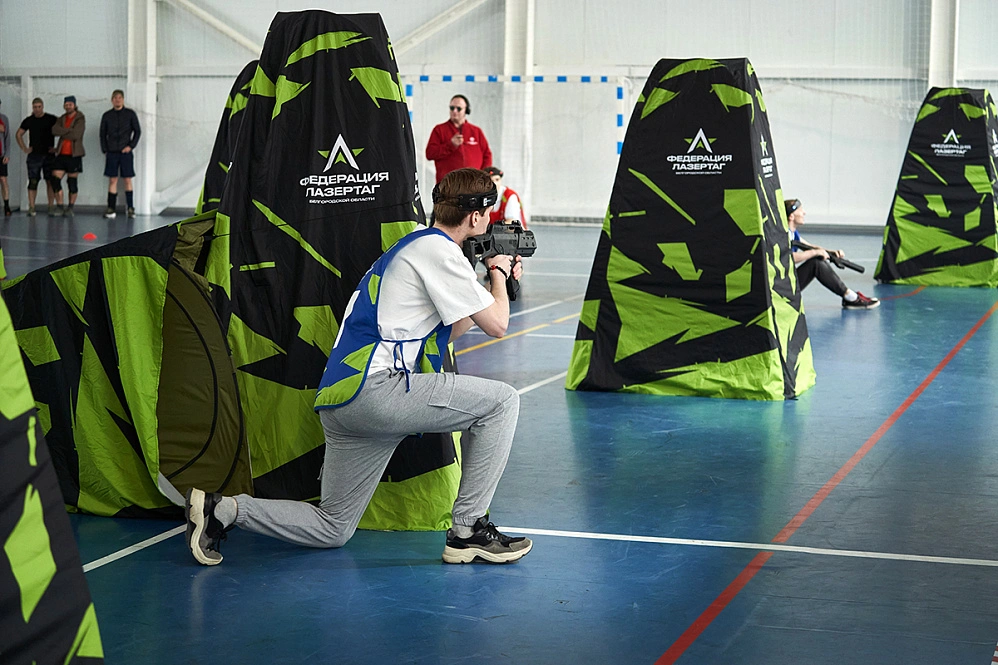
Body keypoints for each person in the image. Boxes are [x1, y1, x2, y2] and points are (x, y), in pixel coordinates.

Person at [184, 168, 531, 567]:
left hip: (345, 399)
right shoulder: (440, 252)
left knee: (333, 526)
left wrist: (485, 289)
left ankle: (222, 510)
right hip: (378, 390)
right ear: (475, 216)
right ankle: (468, 531)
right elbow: (498, 324)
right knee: (502, 403)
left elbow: (447, 332)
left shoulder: (415, 246)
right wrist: (498, 271)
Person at [786, 198, 879, 309]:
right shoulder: (782, 235)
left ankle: (849, 296)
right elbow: (788, 258)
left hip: (785, 281)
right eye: (801, 210)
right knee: (816, 264)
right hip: (780, 288)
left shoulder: (792, 233)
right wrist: (815, 252)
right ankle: (849, 297)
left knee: (816, 260)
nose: (804, 213)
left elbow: (809, 247)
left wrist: (830, 252)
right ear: (791, 216)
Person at [425, 95, 492, 183]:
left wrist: (483, 178)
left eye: (458, 109)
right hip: (448, 184)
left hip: (473, 185)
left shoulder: (476, 131)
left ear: (466, 110)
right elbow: (430, 154)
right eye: (452, 108)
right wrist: (450, 145)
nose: (454, 111)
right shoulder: (439, 130)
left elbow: (487, 155)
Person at [99, 90, 141, 219]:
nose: (117, 100)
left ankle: (130, 208)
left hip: (125, 153)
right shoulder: (107, 115)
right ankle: (111, 208)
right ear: (112, 100)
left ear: (123, 99)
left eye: (119, 98)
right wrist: (105, 150)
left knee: (127, 179)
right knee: (112, 180)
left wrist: (131, 146)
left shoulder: (130, 114)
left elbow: (137, 131)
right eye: (115, 98)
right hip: (112, 152)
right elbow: (102, 134)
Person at [16, 98, 57, 217]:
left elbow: (64, 130)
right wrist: (24, 148)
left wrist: (58, 148)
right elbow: (18, 134)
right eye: (35, 107)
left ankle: (51, 206)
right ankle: (32, 207)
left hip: (49, 155)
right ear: (32, 107)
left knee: (50, 181)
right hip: (34, 156)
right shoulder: (29, 120)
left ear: (43, 107)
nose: (37, 109)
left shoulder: (51, 119)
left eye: (39, 107)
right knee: (33, 181)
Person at [50, 96, 86, 218]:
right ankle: (60, 206)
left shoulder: (80, 118)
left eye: (70, 104)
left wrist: (63, 132)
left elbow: (76, 135)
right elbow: (54, 130)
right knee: (55, 180)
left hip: (74, 155)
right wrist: (69, 130)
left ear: (74, 105)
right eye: (66, 104)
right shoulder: (62, 118)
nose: (68, 106)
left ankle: (70, 207)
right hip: (61, 154)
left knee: (72, 183)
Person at [0, 99, 11, 216]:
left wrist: (7, 154)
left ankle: (6, 205)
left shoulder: (4, 119)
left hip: (1, 155)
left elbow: (7, 137)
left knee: (3, 180)